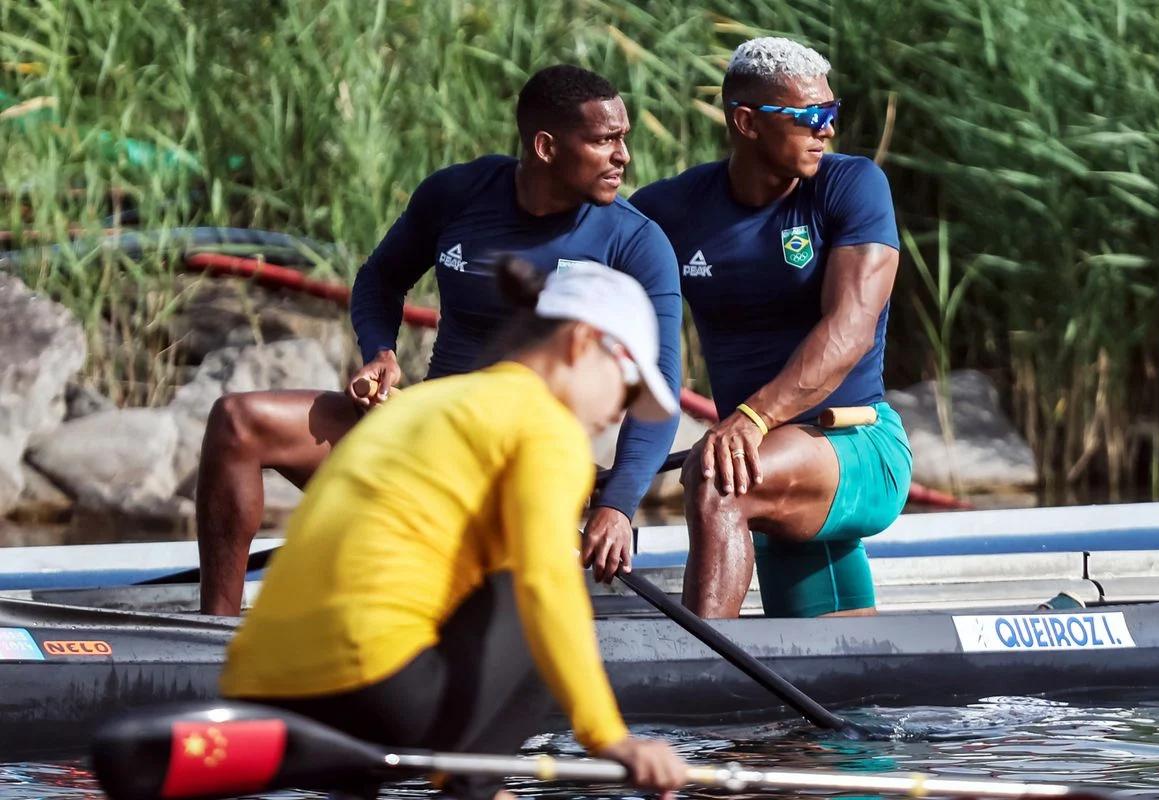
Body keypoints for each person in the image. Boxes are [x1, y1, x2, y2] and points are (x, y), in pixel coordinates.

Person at [197, 65, 682, 615]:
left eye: (624, 139)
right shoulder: (457, 194)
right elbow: (380, 279)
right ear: (546, 146)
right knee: (238, 420)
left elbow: (661, 392)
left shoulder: (637, 243)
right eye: (604, 140)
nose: (623, 156)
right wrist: (379, 351)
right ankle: (213, 637)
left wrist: (616, 506)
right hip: (424, 439)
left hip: (523, 474)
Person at [220, 259, 688, 800]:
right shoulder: (546, 425)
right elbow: (545, 585)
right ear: (583, 343)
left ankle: (462, 779)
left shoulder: (418, 404)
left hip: (259, 685)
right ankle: (474, 789)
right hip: (371, 683)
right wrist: (611, 739)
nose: (616, 415)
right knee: (536, 591)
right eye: (628, 392)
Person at [631, 37, 912, 619]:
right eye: (811, 116)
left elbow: (849, 330)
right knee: (844, 668)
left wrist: (752, 417)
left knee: (717, 485)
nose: (827, 130)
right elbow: (572, 297)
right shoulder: (673, 208)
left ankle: (698, 679)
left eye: (831, 114)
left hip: (857, 441)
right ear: (746, 122)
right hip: (760, 452)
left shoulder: (850, 185)